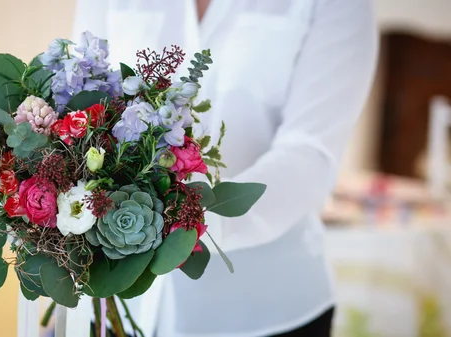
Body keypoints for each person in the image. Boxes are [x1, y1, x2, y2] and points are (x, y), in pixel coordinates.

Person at [72, 0, 378, 336]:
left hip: (262, 312)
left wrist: (185, 222)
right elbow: (80, 105)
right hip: (111, 306)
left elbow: (310, 153)